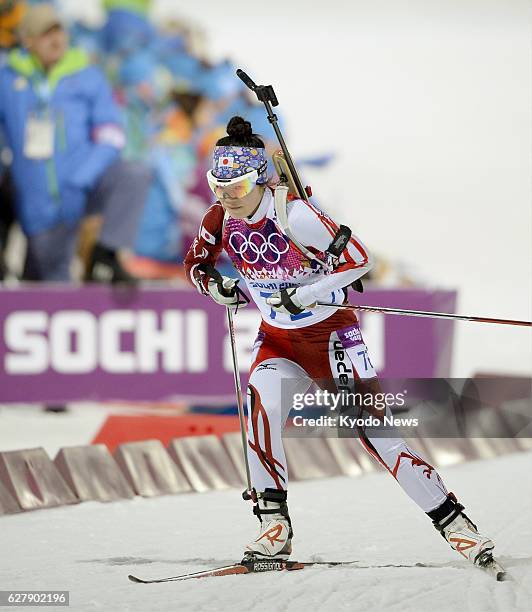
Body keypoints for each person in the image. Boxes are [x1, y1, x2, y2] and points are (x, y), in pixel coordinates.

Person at [184, 116, 500, 571]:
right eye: (219, 186)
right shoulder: (218, 217)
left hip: (331, 339)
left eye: (237, 188)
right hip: (278, 341)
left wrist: (308, 293)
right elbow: (197, 262)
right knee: (260, 409)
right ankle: (273, 525)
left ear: (260, 179)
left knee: (378, 437)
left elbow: (359, 259)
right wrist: (214, 286)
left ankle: (456, 525)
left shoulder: (294, 214)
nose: (227, 198)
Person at [0, 4, 150, 282]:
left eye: (59, 32)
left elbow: (112, 134)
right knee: (49, 289)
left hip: (84, 187)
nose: (56, 40)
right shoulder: (7, 80)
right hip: (39, 203)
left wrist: (82, 177)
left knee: (135, 174)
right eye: (46, 34)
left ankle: (106, 252)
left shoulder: (88, 75)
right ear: (27, 40)